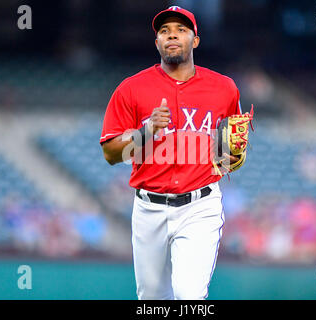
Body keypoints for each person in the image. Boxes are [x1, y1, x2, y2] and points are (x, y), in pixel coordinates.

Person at [100, 6, 243, 300]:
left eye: (181, 29)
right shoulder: (131, 89)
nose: (172, 35)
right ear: (157, 44)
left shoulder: (224, 88)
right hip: (148, 207)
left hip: (199, 205)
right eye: (164, 31)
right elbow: (111, 154)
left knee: (188, 294)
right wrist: (146, 131)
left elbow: (231, 147)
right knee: (152, 298)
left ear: (195, 40)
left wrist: (231, 157)